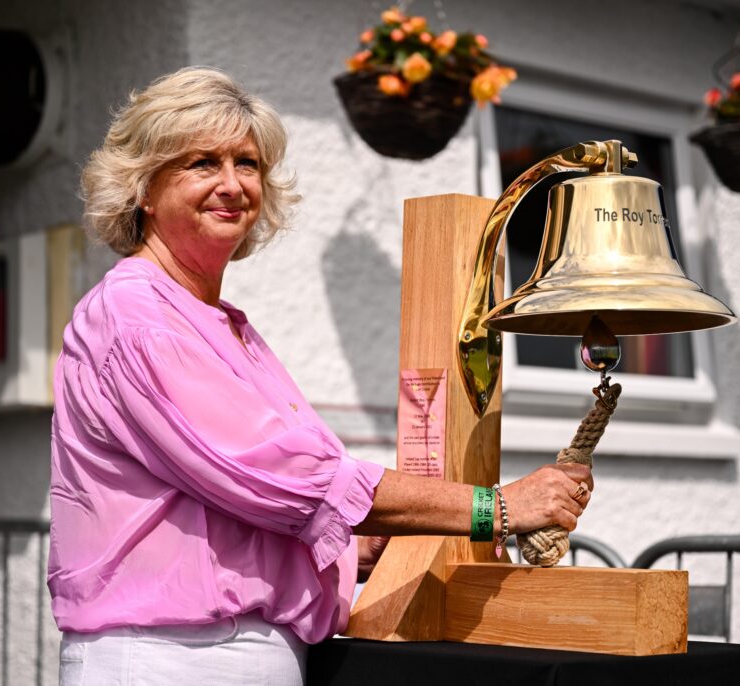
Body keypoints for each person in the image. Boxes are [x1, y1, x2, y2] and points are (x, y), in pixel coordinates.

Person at [48, 66, 593, 685]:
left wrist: (358, 549)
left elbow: (237, 511)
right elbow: (288, 478)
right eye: (202, 163)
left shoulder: (219, 323)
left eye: (247, 164)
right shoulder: (139, 316)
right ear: (144, 188)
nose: (232, 184)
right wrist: (496, 507)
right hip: (170, 659)